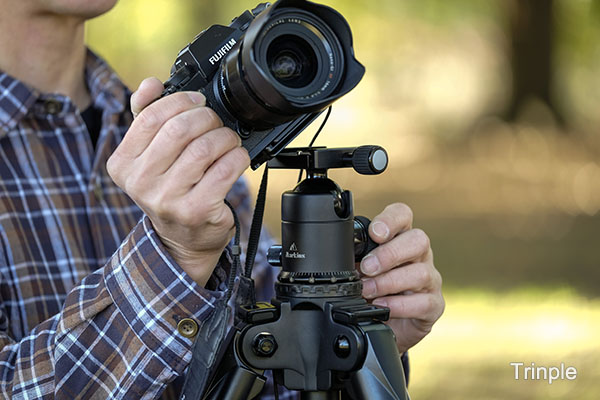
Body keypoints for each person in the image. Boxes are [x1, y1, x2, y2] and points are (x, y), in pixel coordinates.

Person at [0, 0, 444, 398]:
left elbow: (265, 377)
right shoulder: (182, 141)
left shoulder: (188, 134)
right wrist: (174, 257)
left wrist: (344, 340)